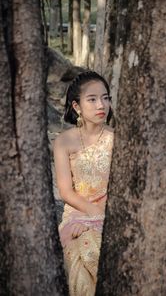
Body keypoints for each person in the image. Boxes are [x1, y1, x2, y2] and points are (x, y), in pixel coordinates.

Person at [53, 70, 114, 296]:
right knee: (79, 256)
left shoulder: (118, 139)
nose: (102, 105)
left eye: (106, 97)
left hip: (111, 214)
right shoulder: (63, 141)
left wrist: (99, 217)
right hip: (77, 212)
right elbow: (65, 191)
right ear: (76, 107)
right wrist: (90, 215)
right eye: (92, 99)